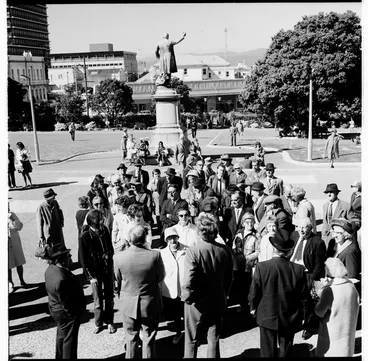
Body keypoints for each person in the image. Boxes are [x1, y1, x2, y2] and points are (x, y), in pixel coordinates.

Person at [249, 229, 309, 358]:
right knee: (286, 351)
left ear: (274, 249)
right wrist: (304, 315)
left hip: (266, 314)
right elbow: (304, 297)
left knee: (267, 351)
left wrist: (253, 307)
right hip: (289, 316)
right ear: (289, 251)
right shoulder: (298, 269)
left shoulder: (261, 267)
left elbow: (254, 291)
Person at [182, 214, 233, 358]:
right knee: (213, 337)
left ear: (199, 232)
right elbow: (229, 277)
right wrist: (224, 293)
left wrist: (186, 297)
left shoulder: (193, 251)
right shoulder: (225, 250)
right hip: (217, 298)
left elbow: (188, 281)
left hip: (196, 300)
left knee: (191, 338)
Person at [114, 225, 165, 358]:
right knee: (148, 338)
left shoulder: (119, 257)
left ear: (130, 239)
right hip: (149, 302)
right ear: (144, 239)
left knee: (130, 338)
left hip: (129, 302)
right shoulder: (154, 255)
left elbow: (118, 279)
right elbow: (160, 277)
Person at [43, 244, 86, 359]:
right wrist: (74, 315)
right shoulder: (61, 279)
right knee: (69, 343)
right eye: (67, 256)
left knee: (62, 337)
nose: (70, 257)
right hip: (66, 315)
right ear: (59, 260)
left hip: (57, 311)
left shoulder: (50, 270)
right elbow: (66, 303)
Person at [289, 217, 327, 340]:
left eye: (304, 227)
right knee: (295, 301)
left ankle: (308, 328)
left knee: (308, 303)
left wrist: (312, 281)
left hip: (307, 275)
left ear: (310, 228)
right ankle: (296, 323)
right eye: (299, 227)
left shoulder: (317, 242)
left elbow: (319, 265)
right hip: (294, 273)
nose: (301, 230)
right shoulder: (294, 236)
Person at [80, 209, 116, 334]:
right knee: (98, 300)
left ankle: (110, 321)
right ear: (93, 221)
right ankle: (98, 323)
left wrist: (111, 260)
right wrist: (90, 276)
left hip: (107, 269)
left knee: (109, 298)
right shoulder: (85, 236)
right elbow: (83, 259)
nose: (102, 220)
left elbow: (110, 247)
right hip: (95, 272)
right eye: (100, 218)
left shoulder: (104, 230)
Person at [314, 258, 360, 357]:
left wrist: (320, 293)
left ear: (329, 272)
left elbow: (319, 312)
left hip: (332, 338)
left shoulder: (329, 290)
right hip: (347, 336)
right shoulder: (351, 286)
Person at [159, 228, 186, 344]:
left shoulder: (187, 250)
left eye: (174, 237)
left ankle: (192, 336)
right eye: (169, 238)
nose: (173, 240)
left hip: (184, 287)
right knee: (175, 313)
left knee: (187, 313)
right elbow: (160, 271)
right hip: (170, 288)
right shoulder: (162, 253)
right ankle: (179, 333)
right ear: (166, 240)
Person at [230, 212, 259, 315]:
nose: (249, 224)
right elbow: (234, 246)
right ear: (243, 223)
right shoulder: (238, 234)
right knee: (239, 286)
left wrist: (248, 257)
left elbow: (258, 251)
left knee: (250, 286)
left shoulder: (256, 236)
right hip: (238, 265)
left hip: (249, 265)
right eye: (247, 222)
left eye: (251, 222)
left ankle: (252, 307)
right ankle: (242, 305)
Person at [321, 183, 350, 248]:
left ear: (337, 193)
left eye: (331, 192)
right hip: (326, 239)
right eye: (327, 192)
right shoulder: (325, 206)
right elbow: (325, 222)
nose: (329, 194)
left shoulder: (345, 206)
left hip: (340, 239)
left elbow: (353, 223)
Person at [8, 205, 28, 292]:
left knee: (19, 262)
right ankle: (10, 283)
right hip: (6, 244)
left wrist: (12, 219)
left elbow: (19, 227)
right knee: (8, 265)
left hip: (15, 242)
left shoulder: (12, 214)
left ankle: (22, 281)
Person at [75, 196, 90, 265]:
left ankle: (80, 260)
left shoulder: (77, 213)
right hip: (87, 232)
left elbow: (76, 223)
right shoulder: (89, 212)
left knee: (80, 246)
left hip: (79, 230)